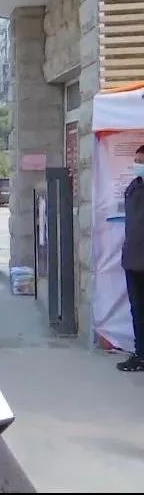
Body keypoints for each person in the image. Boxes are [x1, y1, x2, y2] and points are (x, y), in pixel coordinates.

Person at [118, 145, 144, 372]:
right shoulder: (133, 187)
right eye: (136, 161)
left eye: (142, 161)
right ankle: (140, 354)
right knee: (137, 310)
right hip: (133, 259)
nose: (138, 165)